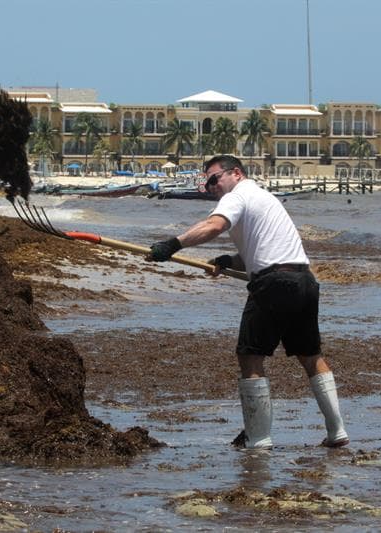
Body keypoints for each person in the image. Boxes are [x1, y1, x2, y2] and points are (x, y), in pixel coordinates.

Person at [147, 155, 349, 449]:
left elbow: (213, 226)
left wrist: (172, 244)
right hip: (304, 280)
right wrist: (229, 260)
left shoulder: (238, 195)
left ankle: (258, 439)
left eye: (215, 178)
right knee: (310, 356)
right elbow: (259, 253)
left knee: (250, 356)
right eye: (206, 182)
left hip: (273, 283)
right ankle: (337, 432)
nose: (210, 186)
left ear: (236, 173)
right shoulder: (263, 198)